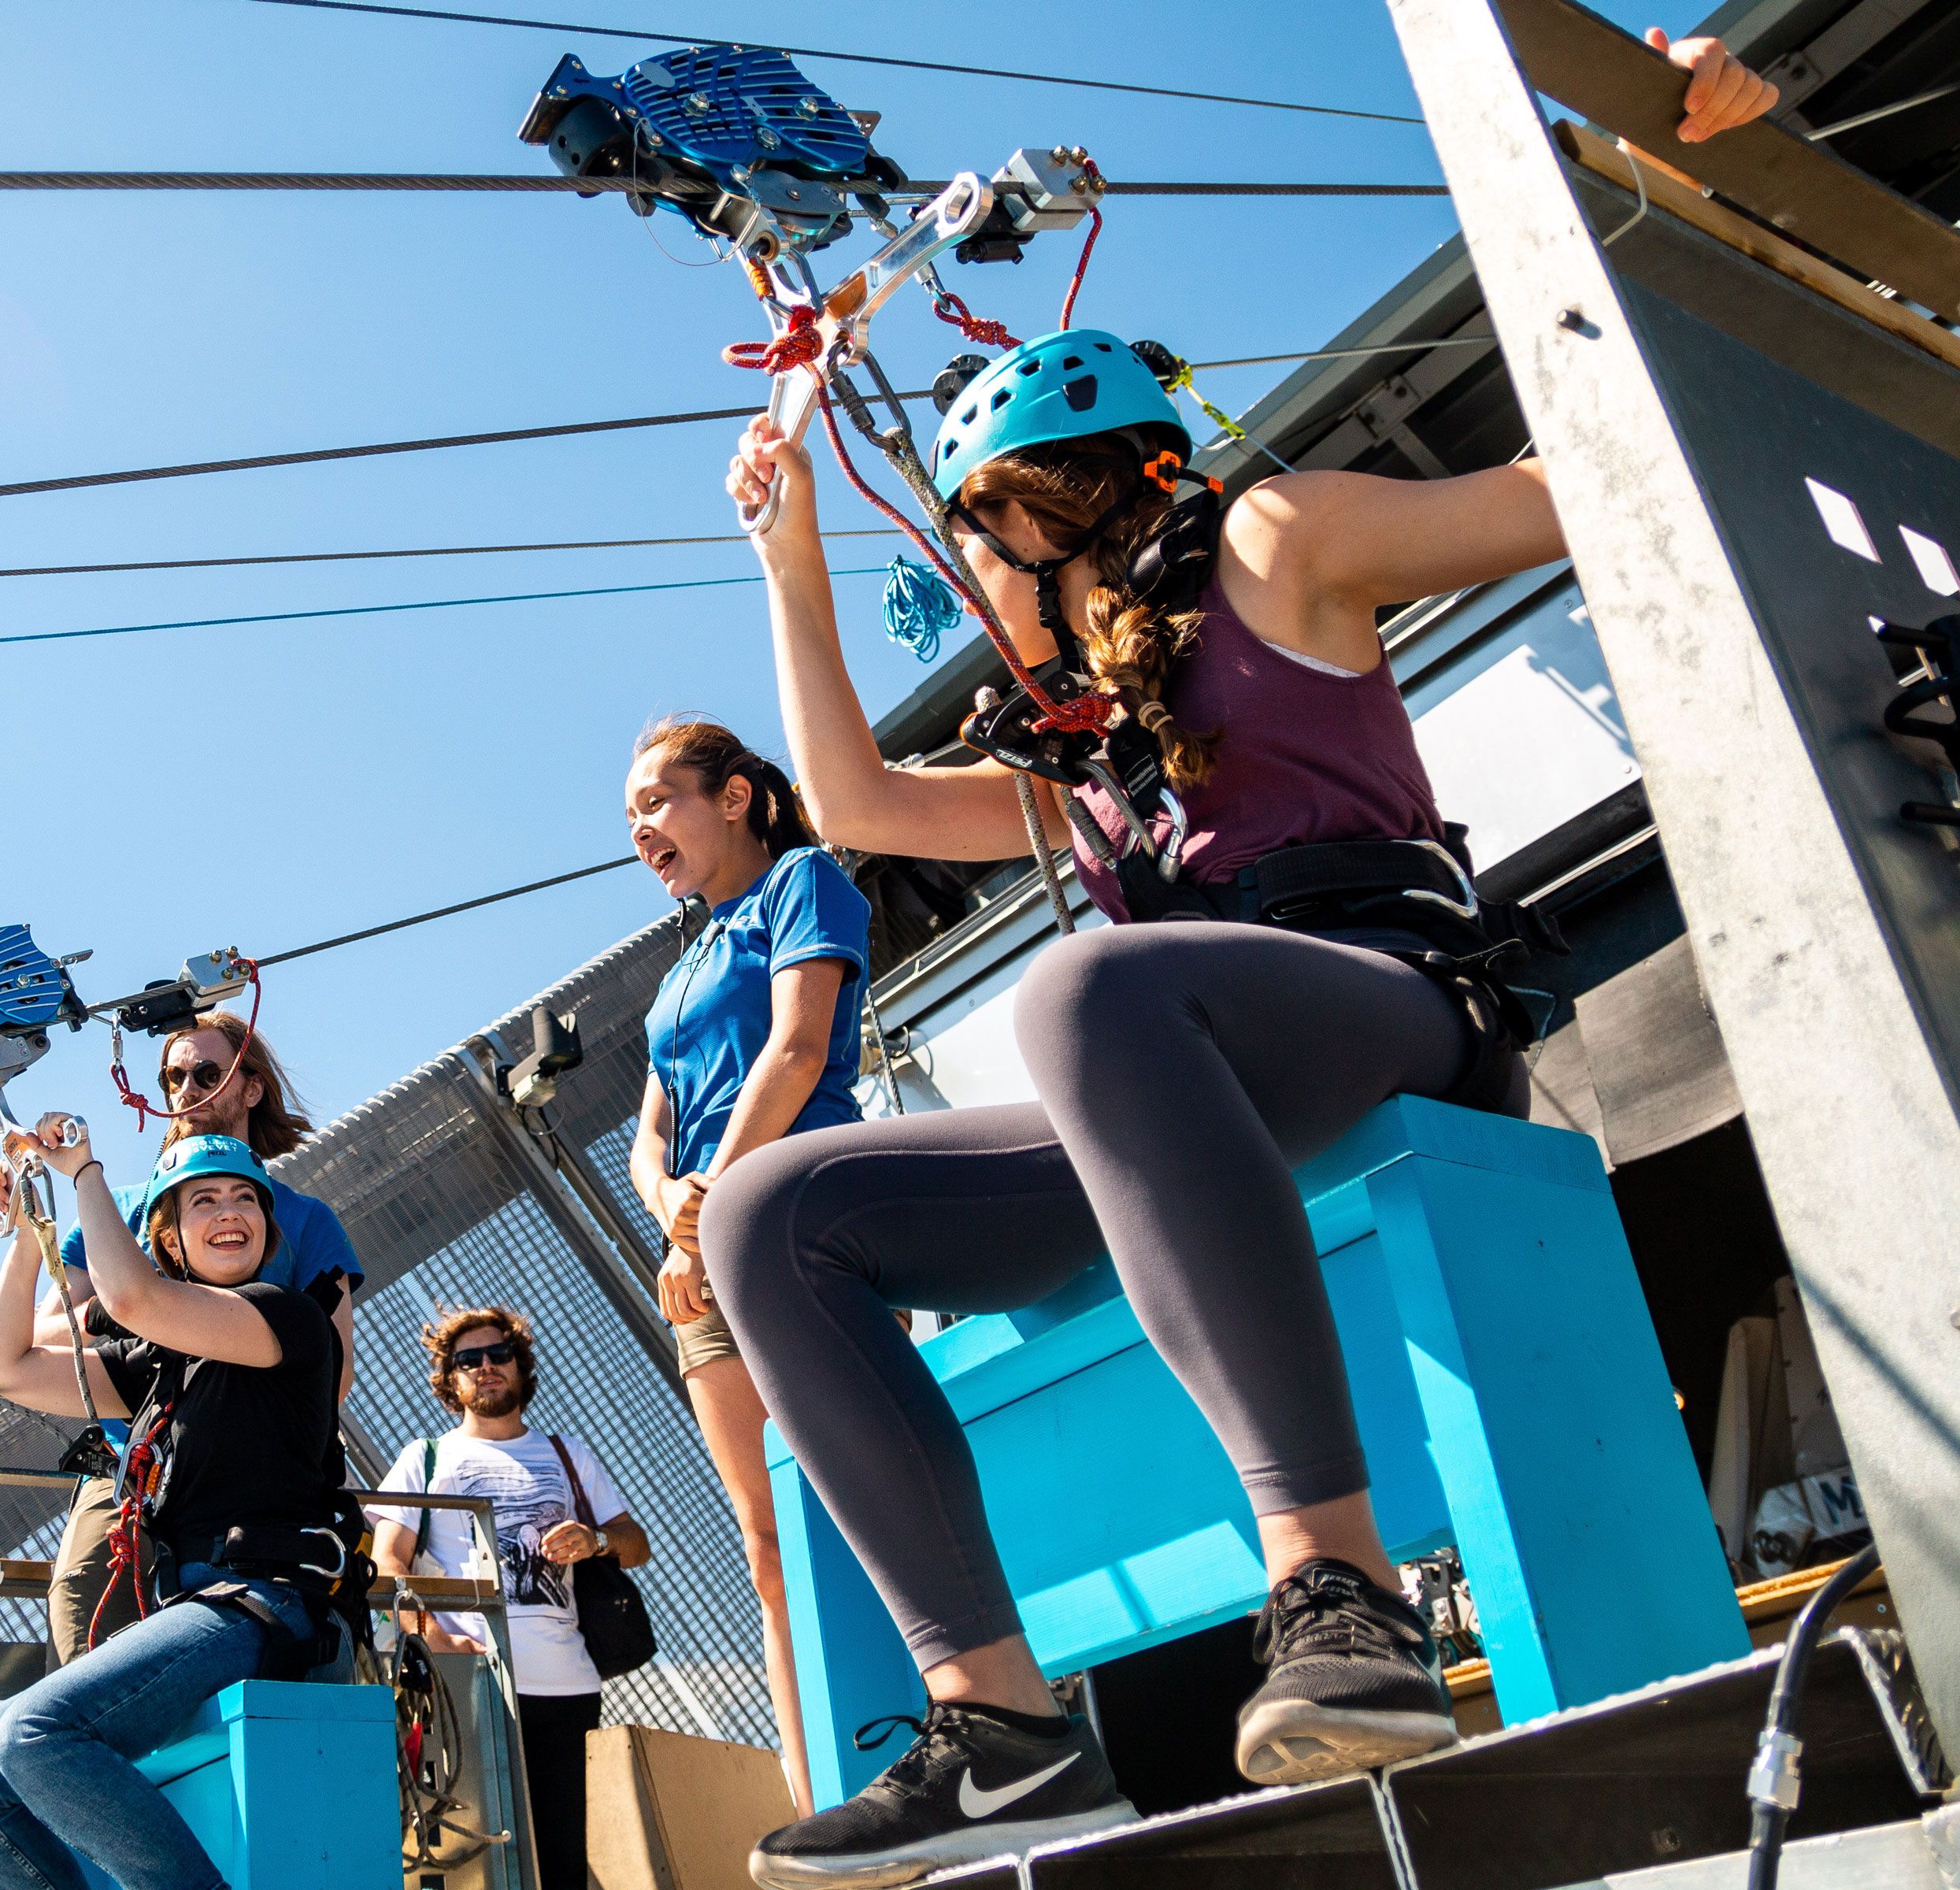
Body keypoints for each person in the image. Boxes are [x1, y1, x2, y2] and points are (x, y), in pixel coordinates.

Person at [707, 34, 1781, 1885]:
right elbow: (852, 798)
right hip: (1181, 1060)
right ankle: (1000, 1726)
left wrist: (1671, 201)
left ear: (1076, 511)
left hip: (1383, 1001)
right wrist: (787, 548)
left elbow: (1582, 477)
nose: (975, 597)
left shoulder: (1278, 546)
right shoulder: (1082, 764)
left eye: (992, 550)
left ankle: (1337, 1583)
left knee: (1081, 993)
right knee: (770, 1220)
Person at [0, 1122, 358, 1890]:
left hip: (266, 1601)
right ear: (170, 1236)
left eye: (243, 1199)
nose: (229, 1211)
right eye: (202, 1201)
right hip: (196, 1611)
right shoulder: (155, 1369)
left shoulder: (287, 1319)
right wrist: (29, 1232)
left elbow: (129, 1294)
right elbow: (0, 1367)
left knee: (37, 1734)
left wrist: (83, 1170)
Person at [623, 716, 870, 1817]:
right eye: (631, 816)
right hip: (706, 1257)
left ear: (733, 798)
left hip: (797, 1216)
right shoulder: (676, 977)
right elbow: (649, 1135)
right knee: (767, 1543)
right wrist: (673, 1206)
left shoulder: (804, 883)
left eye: (656, 802)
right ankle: (817, 1797)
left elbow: (799, 1048)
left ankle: (925, 1731)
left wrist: (706, 1205)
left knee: (858, 1500)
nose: (641, 830)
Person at [31, 1012, 362, 1659]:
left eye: (207, 1073)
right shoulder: (116, 1210)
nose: (186, 1090)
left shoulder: (304, 1220)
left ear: (252, 1088)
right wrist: (151, 1324)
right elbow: (46, 1337)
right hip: (132, 1467)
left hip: (255, 1477)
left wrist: (151, 1307)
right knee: (92, 1636)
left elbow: (337, 1376)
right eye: (172, 1077)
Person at [369, 1307, 651, 1890]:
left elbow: (635, 1543)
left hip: (566, 1683)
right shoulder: (426, 1457)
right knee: (477, 1858)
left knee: (561, 1858)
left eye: (498, 1355)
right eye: (467, 1361)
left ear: (522, 1368)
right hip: (471, 1680)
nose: (486, 1368)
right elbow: (386, 1564)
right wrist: (436, 1638)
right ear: (450, 1380)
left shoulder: (567, 1452)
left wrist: (594, 1539)